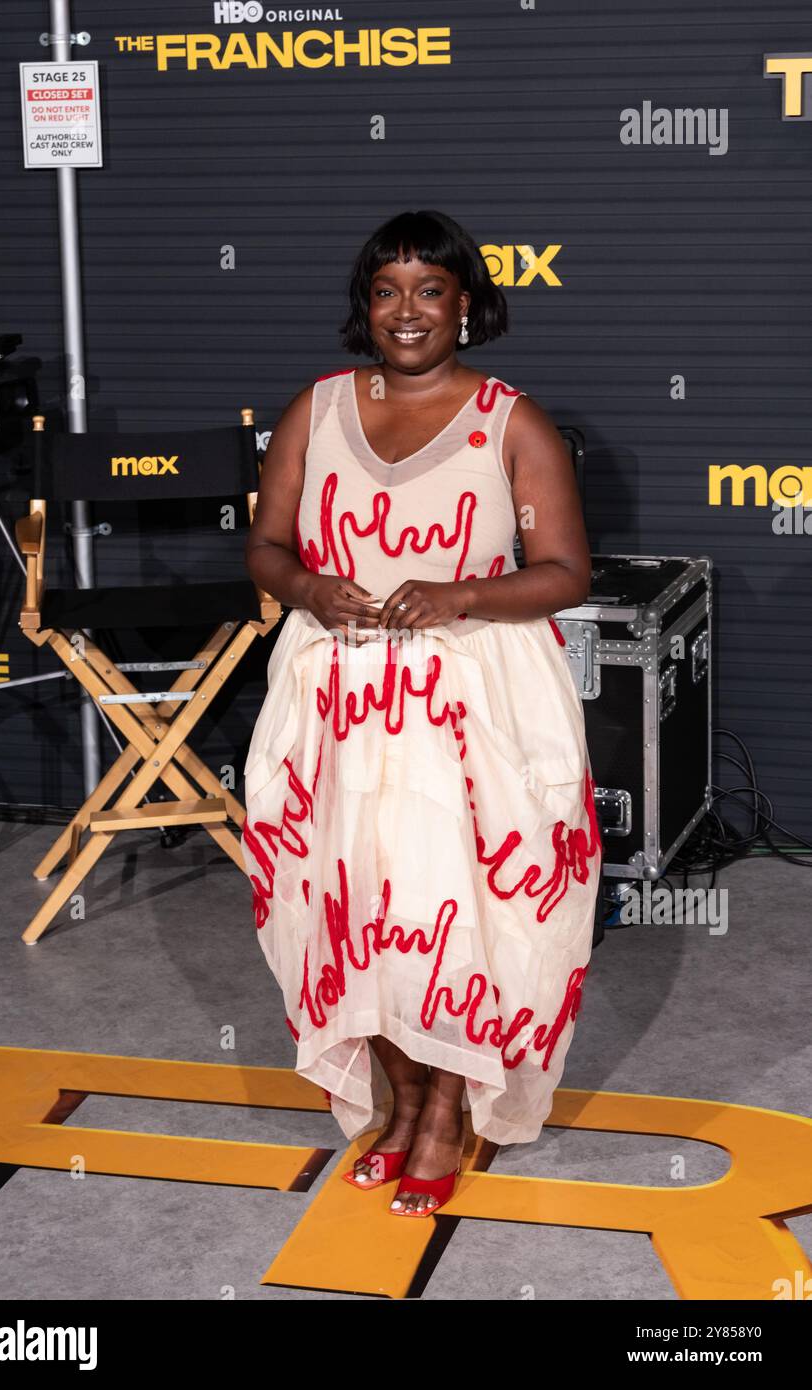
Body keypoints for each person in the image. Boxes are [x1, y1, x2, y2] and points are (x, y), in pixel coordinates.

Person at [242, 208, 601, 1218]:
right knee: (358, 918)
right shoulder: (313, 412)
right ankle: (400, 1104)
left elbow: (564, 572)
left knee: (458, 922)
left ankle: (445, 1112)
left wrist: (456, 595)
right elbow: (266, 548)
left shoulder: (509, 423)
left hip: (474, 708)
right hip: (337, 704)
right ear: (366, 306)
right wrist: (309, 590)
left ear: (466, 306)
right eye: (387, 290)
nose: (407, 310)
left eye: (429, 290)